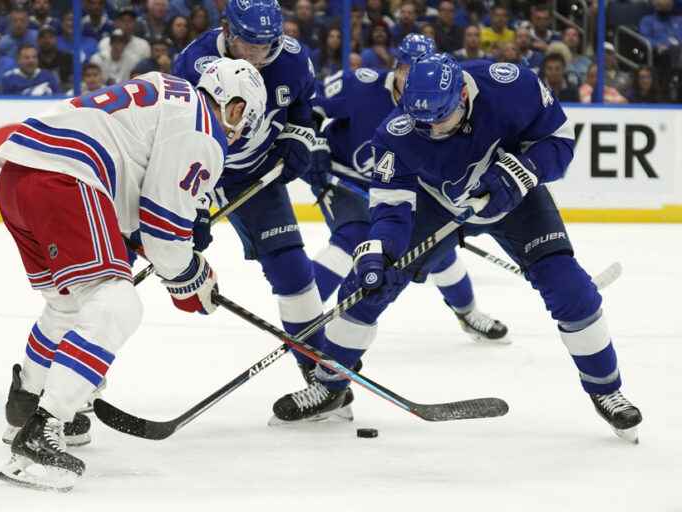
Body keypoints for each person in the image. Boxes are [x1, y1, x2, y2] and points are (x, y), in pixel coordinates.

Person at [272, 53, 643, 445]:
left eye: (441, 119)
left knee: (572, 290)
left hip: (515, 198)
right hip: (434, 204)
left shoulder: (511, 85)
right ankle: (330, 385)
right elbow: (392, 207)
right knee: (365, 288)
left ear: (463, 94)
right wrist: (380, 248)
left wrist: (523, 170)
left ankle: (606, 389)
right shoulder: (395, 133)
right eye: (421, 123)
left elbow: (560, 142)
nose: (431, 130)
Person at [0, 58, 267, 491]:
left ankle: (26, 404)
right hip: (68, 178)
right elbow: (163, 236)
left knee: (70, 304)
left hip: (19, 174)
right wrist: (192, 279)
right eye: (242, 121)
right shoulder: (203, 130)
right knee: (116, 304)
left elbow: (130, 183)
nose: (235, 133)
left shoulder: (167, 90)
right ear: (235, 108)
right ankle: (41, 433)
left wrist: (162, 244)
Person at [309, 33, 509, 353]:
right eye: (406, 69)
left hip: (393, 186)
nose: (411, 77)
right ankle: (303, 321)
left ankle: (468, 313)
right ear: (395, 67)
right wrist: (314, 143)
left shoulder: (436, 107)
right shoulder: (361, 84)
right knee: (356, 237)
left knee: (435, 248)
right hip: (344, 177)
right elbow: (312, 105)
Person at [173, 0, 331, 399]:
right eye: (248, 45)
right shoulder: (194, 63)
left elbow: (303, 106)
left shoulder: (293, 59)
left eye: (265, 46)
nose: (257, 57)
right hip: (195, 172)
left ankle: (321, 374)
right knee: (146, 256)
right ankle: (79, 383)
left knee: (293, 270)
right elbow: (177, 140)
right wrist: (193, 206)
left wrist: (298, 138)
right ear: (227, 29)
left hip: (256, 174)